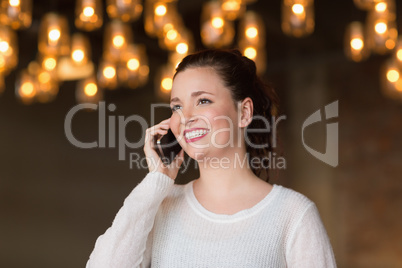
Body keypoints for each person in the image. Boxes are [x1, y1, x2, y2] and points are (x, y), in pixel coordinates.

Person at [86, 49, 337, 267]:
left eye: (203, 100)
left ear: (244, 112)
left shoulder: (294, 215)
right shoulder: (160, 205)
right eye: (177, 106)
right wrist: (157, 181)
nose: (186, 117)